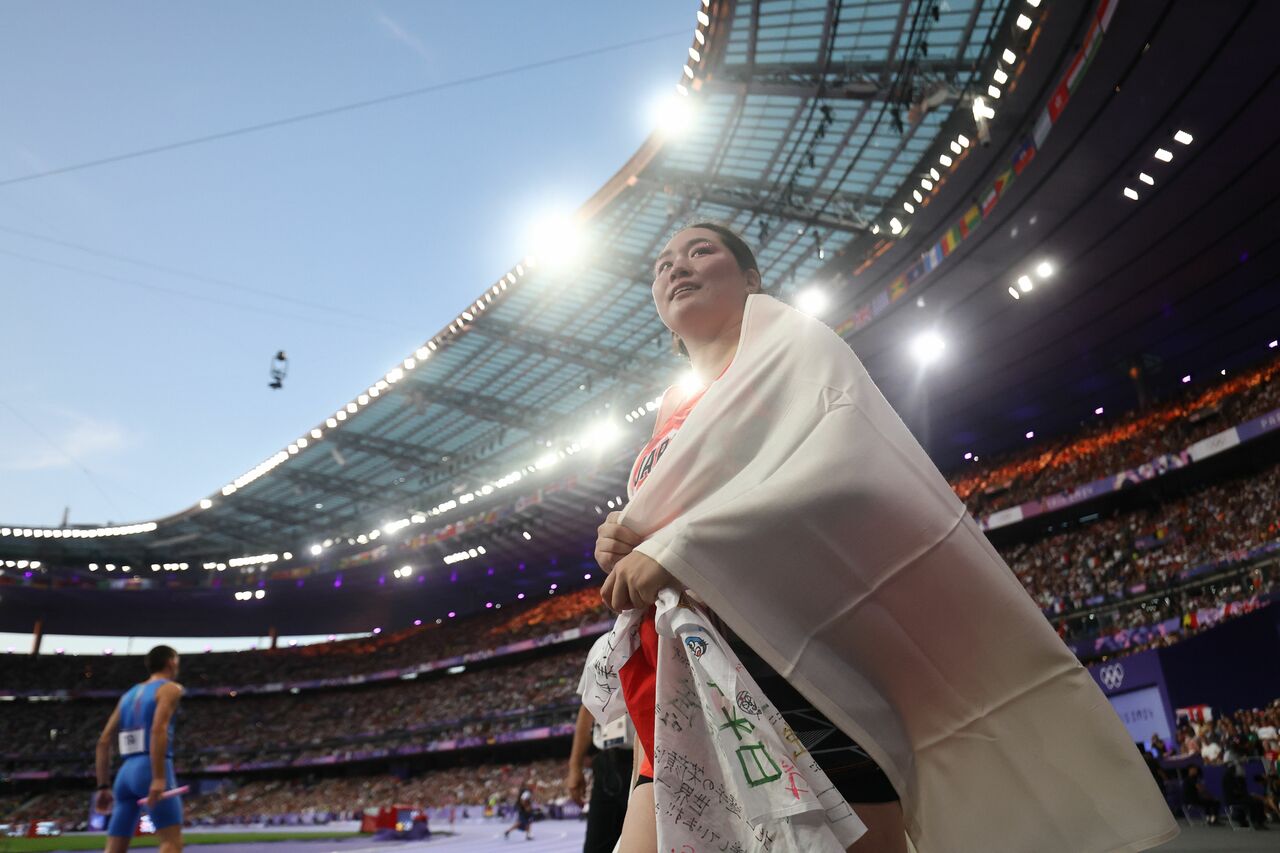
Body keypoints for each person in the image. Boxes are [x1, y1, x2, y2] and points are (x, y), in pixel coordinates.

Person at [592, 223, 1177, 853]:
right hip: (685, 675)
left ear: (752, 280)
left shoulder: (795, 351)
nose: (676, 267)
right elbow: (664, 515)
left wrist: (683, 549)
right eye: (661, 265)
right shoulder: (669, 408)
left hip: (799, 656)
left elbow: (845, 476)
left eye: (701, 251)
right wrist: (622, 536)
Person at [93, 645, 184, 853]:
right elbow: (158, 728)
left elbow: (104, 741)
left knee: (114, 847)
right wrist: (159, 777)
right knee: (171, 841)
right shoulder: (170, 688)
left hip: (124, 775)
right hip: (150, 768)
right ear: (171, 662)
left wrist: (103, 787)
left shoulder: (127, 696)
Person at [568, 634, 633, 853]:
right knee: (596, 846)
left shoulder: (657, 631)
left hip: (643, 760)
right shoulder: (601, 644)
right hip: (606, 763)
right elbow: (587, 709)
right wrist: (574, 767)